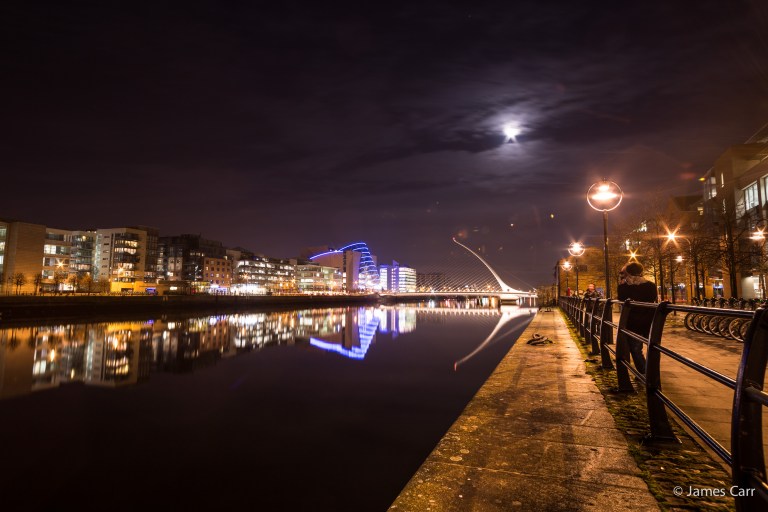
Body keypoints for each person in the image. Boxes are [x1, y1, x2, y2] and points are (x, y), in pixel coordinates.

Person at [617, 261, 657, 374]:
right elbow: (652, 299)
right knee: (651, 348)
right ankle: (648, 372)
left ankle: (644, 373)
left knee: (635, 348)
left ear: (628, 273)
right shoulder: (651, 285)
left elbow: (621, 300)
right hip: (649, 320)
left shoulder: (623, 287)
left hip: (633, 321)